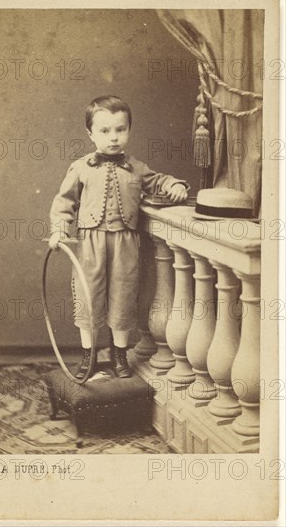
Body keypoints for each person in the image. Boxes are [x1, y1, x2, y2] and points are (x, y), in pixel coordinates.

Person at [49, 95, 190, 379]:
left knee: (123, 298)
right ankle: (88, 356)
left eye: (120, 129)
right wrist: (59, 230)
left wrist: (175, 184)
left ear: (128, 130)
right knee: (89, 297)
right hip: (90, 244)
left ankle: (119, 356)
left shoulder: (136, 167)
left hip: (126, 244)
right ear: (90, 134)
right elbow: (63, 203)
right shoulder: (81, 168)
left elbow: (158, 181)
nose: (113, 137)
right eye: (105, 131)